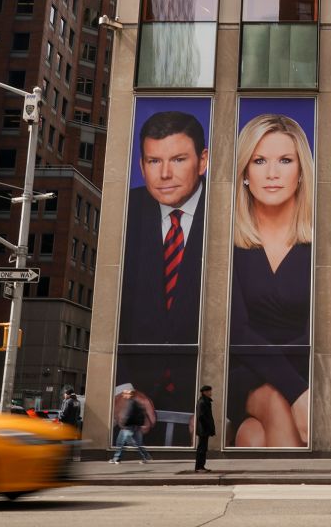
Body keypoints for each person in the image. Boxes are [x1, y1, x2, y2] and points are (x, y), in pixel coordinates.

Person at [117, 110, 208, 446]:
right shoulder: (123, 211)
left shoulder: (232, 210)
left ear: (203, 161)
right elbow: (112, 311)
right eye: (154, 161)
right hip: (137, 410)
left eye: (178, 159)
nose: (165, 174)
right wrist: (121, 389)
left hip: (211, 408)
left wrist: (223, 400)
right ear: (141, 166)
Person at [228, 114, 314, 448]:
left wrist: (300, 384)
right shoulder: (227, 240)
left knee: (253, 436)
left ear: (300, 170)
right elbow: (236, 330)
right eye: (260, 160)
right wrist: (299, 393)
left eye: (285, 160)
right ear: (245, 173)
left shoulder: (322, 241)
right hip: (245, 373)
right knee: (277, 402)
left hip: (304, 372)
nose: (272, 173)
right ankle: (299, 495)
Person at [109, 384, 153, 464]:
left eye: (125, 393)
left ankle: (116, 458)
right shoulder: (133, 402)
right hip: (132, 427)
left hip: (128, 427)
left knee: (124, 443)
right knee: (133, 443)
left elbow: (128, 415)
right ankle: (146, 456)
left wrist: (123, 423)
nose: (124, 395)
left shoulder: (130, 403)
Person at [194, 385, 215, 472]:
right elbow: (201, 416)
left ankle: (201, 466)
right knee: (201, 449)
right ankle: (199, 467)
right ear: (204, 392)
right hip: (203, 429)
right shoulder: (202, 402)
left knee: (203, 448)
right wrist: (208, 426)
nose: (211, 393)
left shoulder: (206, 402)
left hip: (205, 429)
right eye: (209, 391)